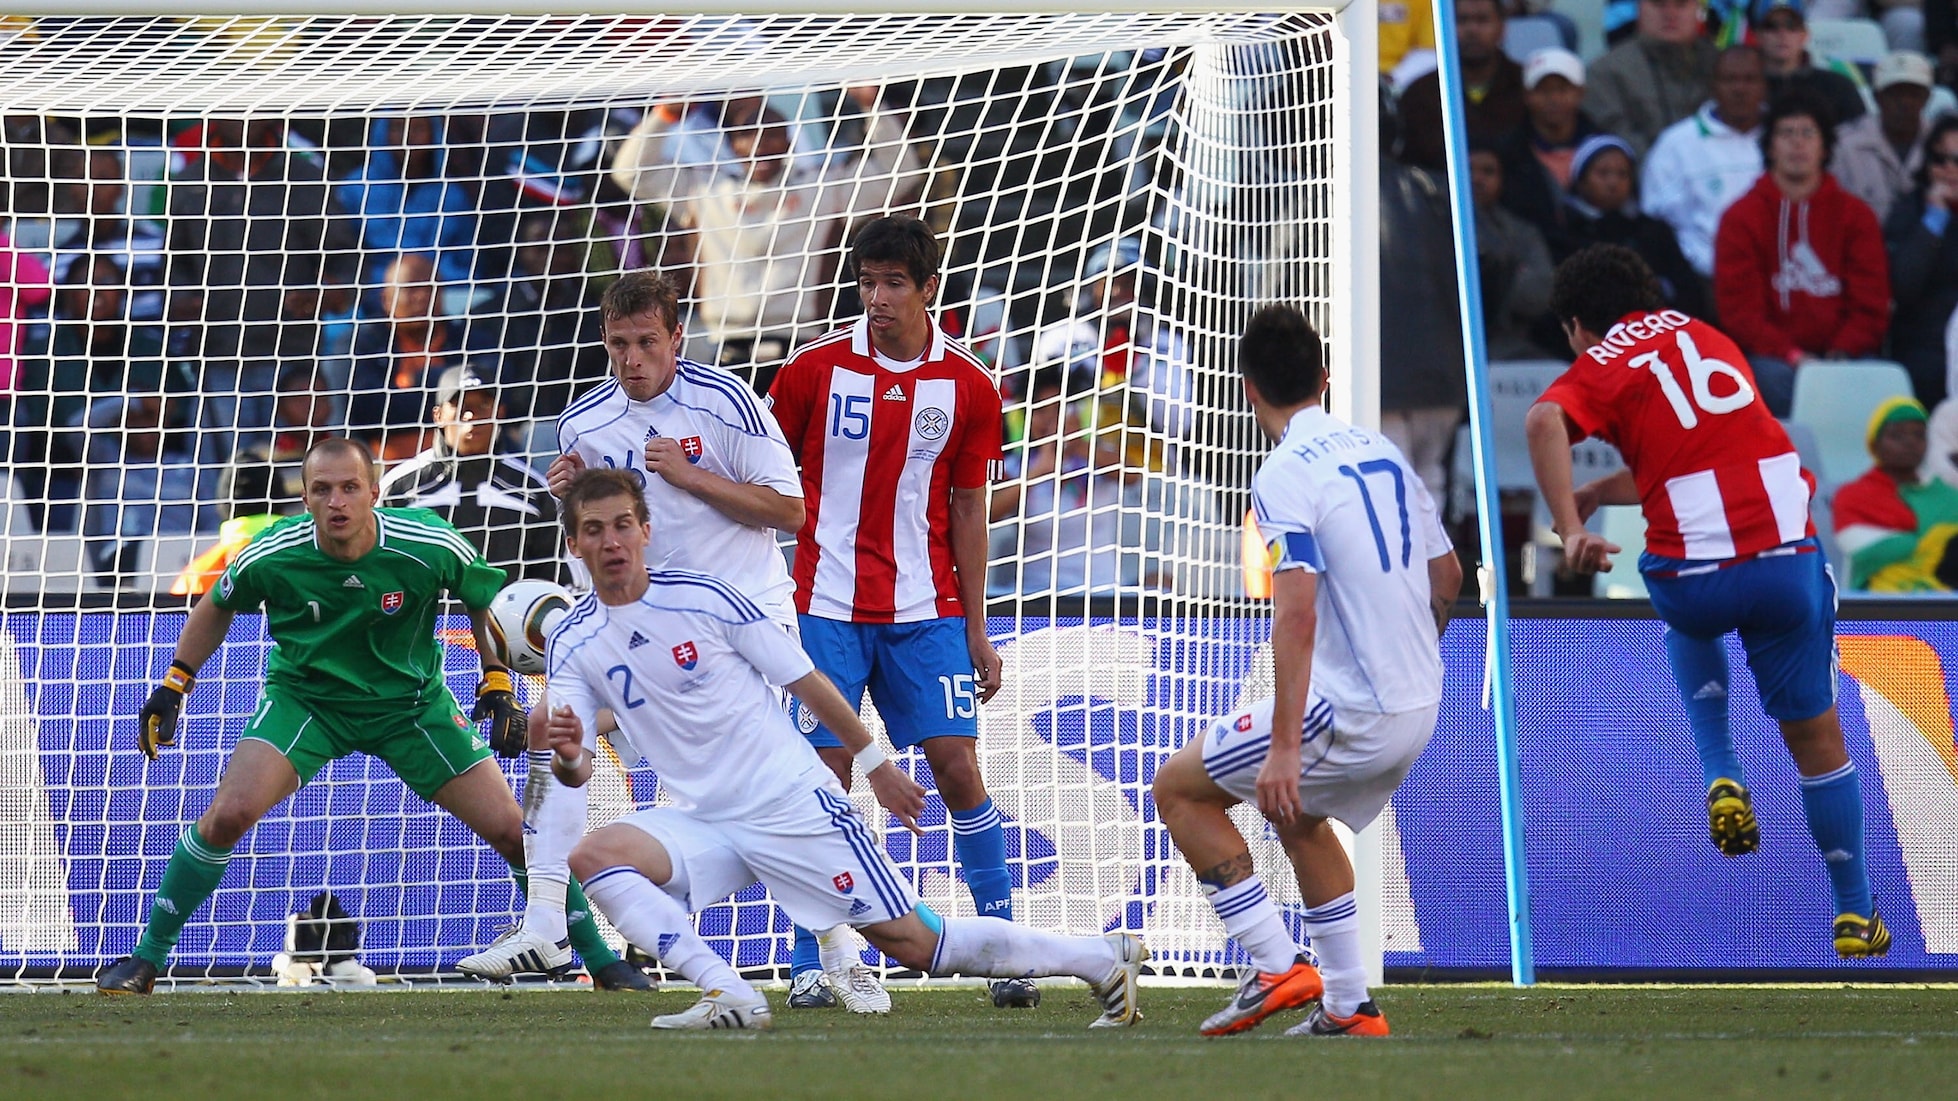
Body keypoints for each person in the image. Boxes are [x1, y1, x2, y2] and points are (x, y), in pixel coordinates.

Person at [539, 467, 1147, 1031]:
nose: (611, 541)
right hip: (707, 819)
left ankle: (1100, 958)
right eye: (594, 529)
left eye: (623, 524)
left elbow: (807, 683)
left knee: (919, 945)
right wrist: (568, 755)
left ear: (646, 531)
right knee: (596, 855)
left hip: (792, 804)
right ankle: (729, 994)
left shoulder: (707, 600)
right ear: (575, 545)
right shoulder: (572, 640)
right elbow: (578, 767)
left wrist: (875, 765)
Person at [93, 437, 650, 994]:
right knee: (229, 814)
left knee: (513, 830)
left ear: (375, 494)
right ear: (306, 499)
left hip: (410, 707)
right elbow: (215, 604)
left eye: (350, 488)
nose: (337, 501)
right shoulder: (273, 553)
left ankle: (601, 961)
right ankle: (146, 959)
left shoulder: (427, 543)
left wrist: (498, 680)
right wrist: (175, 682)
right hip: (308, 701)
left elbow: (484, 598)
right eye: (322, 490)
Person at [1524, 243, 1889, 960]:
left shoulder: (1603, 359)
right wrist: (1605, 488)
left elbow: (1542, 423)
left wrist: (1571, 525)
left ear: (1576, 325)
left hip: (1695, 573)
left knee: (1686, 613)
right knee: (1818, 741)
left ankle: (1721, 768)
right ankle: (1854, 912)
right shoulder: (1706, 334)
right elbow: (1706, 452)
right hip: (1786, 558)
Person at [459, 269, 809, 990]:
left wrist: (692, 476)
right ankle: (547, 928)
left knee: (749, 803)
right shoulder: (582, 425)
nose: (632, 359)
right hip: (640, 632)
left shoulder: (729, 403)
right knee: (562, 732)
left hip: (736, 631)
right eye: (619, 344)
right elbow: (593, 537)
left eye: (647, 341)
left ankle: (825, 953)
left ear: (677, 337)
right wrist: (571, 500)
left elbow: (790, 512)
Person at [1151, 305, 1461, 1039]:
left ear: (1248, 388)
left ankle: (1272, 963)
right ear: (1325, 378)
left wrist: (1286, 745)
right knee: (1300, 815)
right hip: (1422, 700)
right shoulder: (1384, 453)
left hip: (1351, 708)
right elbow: (1446, 576)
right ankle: (1351, 1005)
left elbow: (1295, 615)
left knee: (1178, 789)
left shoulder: (1282, 474)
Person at [767, 216, 1032, 1010]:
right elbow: (765, 478)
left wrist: (978, 625)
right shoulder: (811, 372)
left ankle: (1006, 949)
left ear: (927, 291)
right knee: (822, 778)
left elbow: (967, 509)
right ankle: (812, 957)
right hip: (824, 608)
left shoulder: (973, 386)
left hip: (928, 611)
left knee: (958, 769)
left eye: (892, 284)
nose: (876, 299)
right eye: (866, 283)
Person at [610, 88, 925, 393]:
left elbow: (900, 171)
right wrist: (665, 114)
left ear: (788, 141)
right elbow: (630, 172)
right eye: (747, 134)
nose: (760, 143)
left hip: (801, 342)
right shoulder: (707, 191)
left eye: (771, 133)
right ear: (733, 144)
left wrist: (872, 107)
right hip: (728, 345)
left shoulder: (822, 190)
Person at [1713, 89, 1890, 416]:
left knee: (1874, 380)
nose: (1798, 143)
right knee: (1771, 381)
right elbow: (1740, 313)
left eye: (1808, 133)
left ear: (1825, 146)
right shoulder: (1741, 218)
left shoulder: (1856, 216)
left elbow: (1871, 304)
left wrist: (1839, 354)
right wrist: (1794, 356)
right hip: (1775, 360)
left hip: (1845, 355)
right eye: (1786, 133)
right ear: (1770, 145)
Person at [379, 364, 565, 582]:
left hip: (504, 615)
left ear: (500, 412)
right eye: (460, 406)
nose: (471, 415)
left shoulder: (532, 489)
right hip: (428, 616)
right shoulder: (399, 487)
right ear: (438, 415)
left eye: (483, 405)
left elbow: (552, 576)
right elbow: (381, 568)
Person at [1642, 45, 1769, 280]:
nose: (1739, 89)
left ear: (1764, 85)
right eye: (1730, 79)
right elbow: (1657, 219)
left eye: (1750, 80)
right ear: (1713, 85)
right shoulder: (1676, 144)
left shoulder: (1786, 137)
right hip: (1704, 284)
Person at [1555, 135, 1711, 320]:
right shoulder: (1564, 234)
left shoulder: (1654, 230)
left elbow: (1687, 290)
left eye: (1622, 174)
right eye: (1603, 173)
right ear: (1581, 180)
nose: (1613, 183)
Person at [1832, 397, 1958, 589]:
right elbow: (1866, 551)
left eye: (1919, 435)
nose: (1910, 442)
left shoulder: (1949, 496)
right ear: (1875, 443)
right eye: (1897, 436)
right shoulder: (1852, 496)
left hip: (1945, 606)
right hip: (1875, 608)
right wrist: (1931, 539)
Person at [1397, 0, 1528, 173]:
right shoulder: (1420, 94)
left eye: (1482, 20)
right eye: (1462, 20)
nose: (1472, 30)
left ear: (1502, 28)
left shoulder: (1526, 86)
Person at [1584, 0, 1721, 158]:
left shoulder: (1722, 68)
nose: (1670, 14)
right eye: (1658, 4)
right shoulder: (1605, 73)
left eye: (1681, 5)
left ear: (1697, 10)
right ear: (1640, 9)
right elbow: (1614, 137)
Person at [1883, 115, 1958, 406]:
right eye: (1941, 159)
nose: (1950, 168)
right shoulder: (1909, 210)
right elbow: (1903, 285)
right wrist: (1934, 221)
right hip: (1924, 344)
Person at [1497, 48, 1601, 243]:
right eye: (1543, 90)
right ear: (1526, 95)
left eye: (1563, 89)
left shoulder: (1606, 149)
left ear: (1580, 93)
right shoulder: (1507, 154)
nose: (1553, 99)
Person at [1470, 143, 1558, 359]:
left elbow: (1542, 292)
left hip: (1511, 349)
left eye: (1488, 171)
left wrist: (1488, 279)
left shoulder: (1523, 233)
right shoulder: (1432, 222)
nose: (1477, 179)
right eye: (1469, 169)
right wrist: (1511, 274)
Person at [1832, 50, 1937, 225]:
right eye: (1895, 93)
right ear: (1876, 97)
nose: (1905, 102)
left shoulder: (1944, 144)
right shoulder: (1843, 144)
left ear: (1927, 98)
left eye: (1913, 93)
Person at [1753, 0, 1869, 129]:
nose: (1782, 33)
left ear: (1805, 35)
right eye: (1771, 26)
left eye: (1791, 26)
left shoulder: (1837, 87)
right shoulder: (1744, 86)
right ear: (1758, 36)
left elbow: (1859, 137)